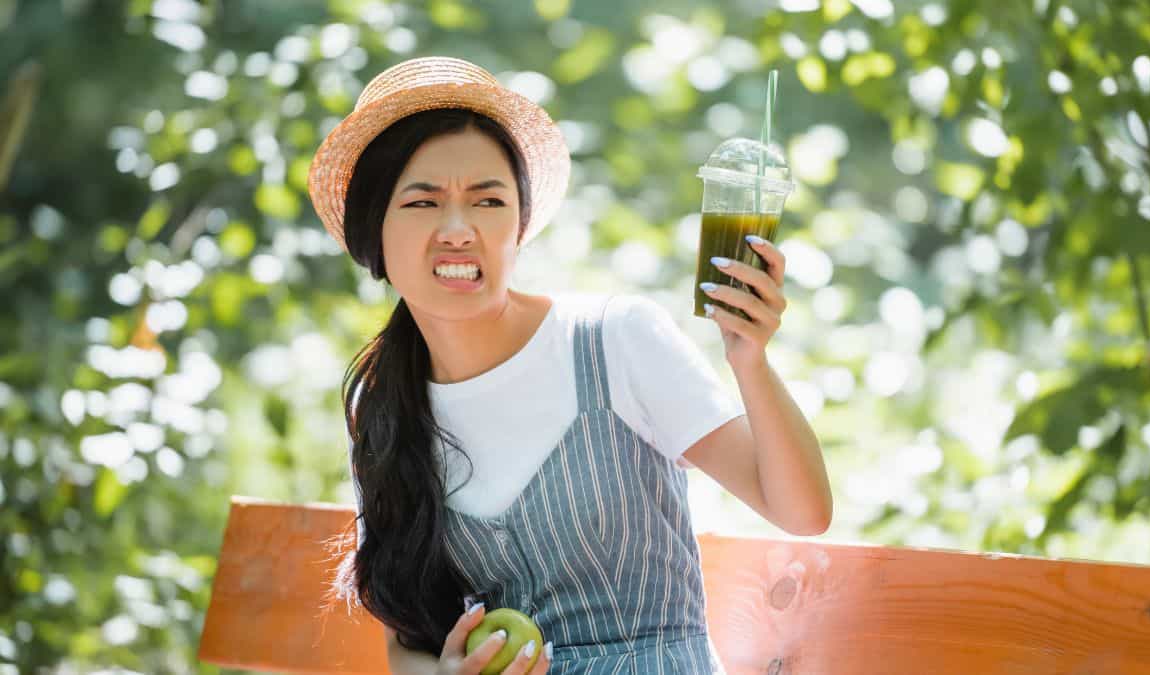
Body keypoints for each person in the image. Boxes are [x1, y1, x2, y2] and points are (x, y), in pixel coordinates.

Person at [307, 56, 832, 675]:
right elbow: (407, 640)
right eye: (422, 203)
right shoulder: (387, 409)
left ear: (519, 226)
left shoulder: (615, 342)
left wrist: (750, 361)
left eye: (488, 200)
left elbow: (803, 513)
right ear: (376, 232)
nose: (458, 229)